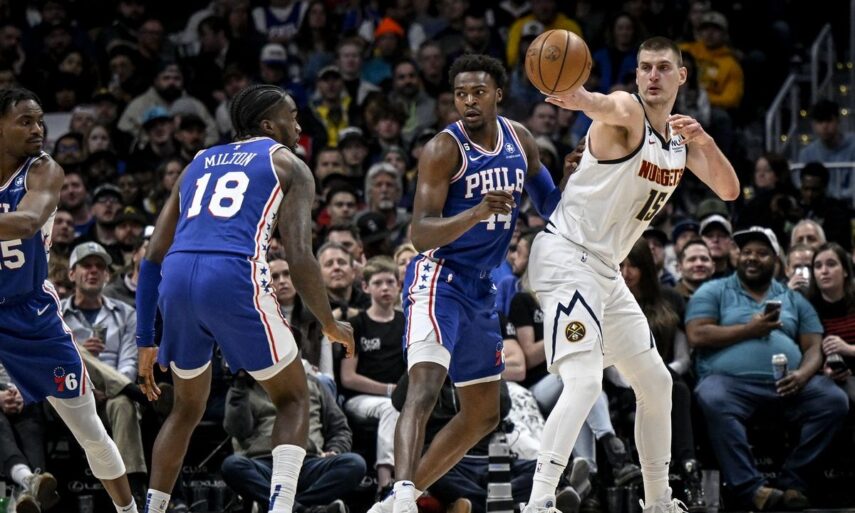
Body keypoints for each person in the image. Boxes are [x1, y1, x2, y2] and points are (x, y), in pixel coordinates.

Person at [523, 37, 739, 513]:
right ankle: (538, 502)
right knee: (584, 382)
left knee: (657, 383)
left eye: (663, 67)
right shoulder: (627, 112)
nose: (653, 76)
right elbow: (604, 104)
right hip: (566, 256)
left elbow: (728, 189)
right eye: (645, 67)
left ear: (682, 76)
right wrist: (580, 97)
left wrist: (704, 141)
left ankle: (659, 500)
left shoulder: (678, 141)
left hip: (604, 268)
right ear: (636, 75)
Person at [134, 84, 354, 513]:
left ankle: (153, 509)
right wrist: (328, 322)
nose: (299, 125)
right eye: (292, 116)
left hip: (177, 278)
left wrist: (146, 338)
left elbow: (152, 256)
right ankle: (281, 508)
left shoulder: (197, 161)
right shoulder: (288, 163)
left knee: (186, 408)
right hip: (233, 274)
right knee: (293, 397)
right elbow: (300, 256)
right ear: (268, 125)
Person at [367, 53, 565, 513]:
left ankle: (397, 500)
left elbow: (551, 206)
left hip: (480, 286)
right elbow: (420, 234)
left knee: (483, 413)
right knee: (424, 386)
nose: (469, 101)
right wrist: (475, 212)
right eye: (460, 94)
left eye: (478, 92)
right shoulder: (443, 149)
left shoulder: (521, 140)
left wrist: (574, 181)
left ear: (498, 94)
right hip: (438, 278)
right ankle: (402, 495)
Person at [0, 87, 138, 512]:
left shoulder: (44, 170)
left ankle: (128, 510)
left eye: (40, 120)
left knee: (88, 429)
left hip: (31, 315)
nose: (38, 129)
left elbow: (28, 221)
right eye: (26, 121)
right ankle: (21, 484)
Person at [686, 227, 849, 510]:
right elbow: (697, 334)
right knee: (711, 396)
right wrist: (750, 330)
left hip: (789, 384)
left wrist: (803, 375)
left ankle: (793, 482)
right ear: (737, 257)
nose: (752, 258)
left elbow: (813, 346)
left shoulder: (793, 298)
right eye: (746, 252)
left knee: (833, 400)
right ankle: (752, 490)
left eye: (762, 253)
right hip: (730, 385)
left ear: (776, 260)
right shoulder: (713, 290)